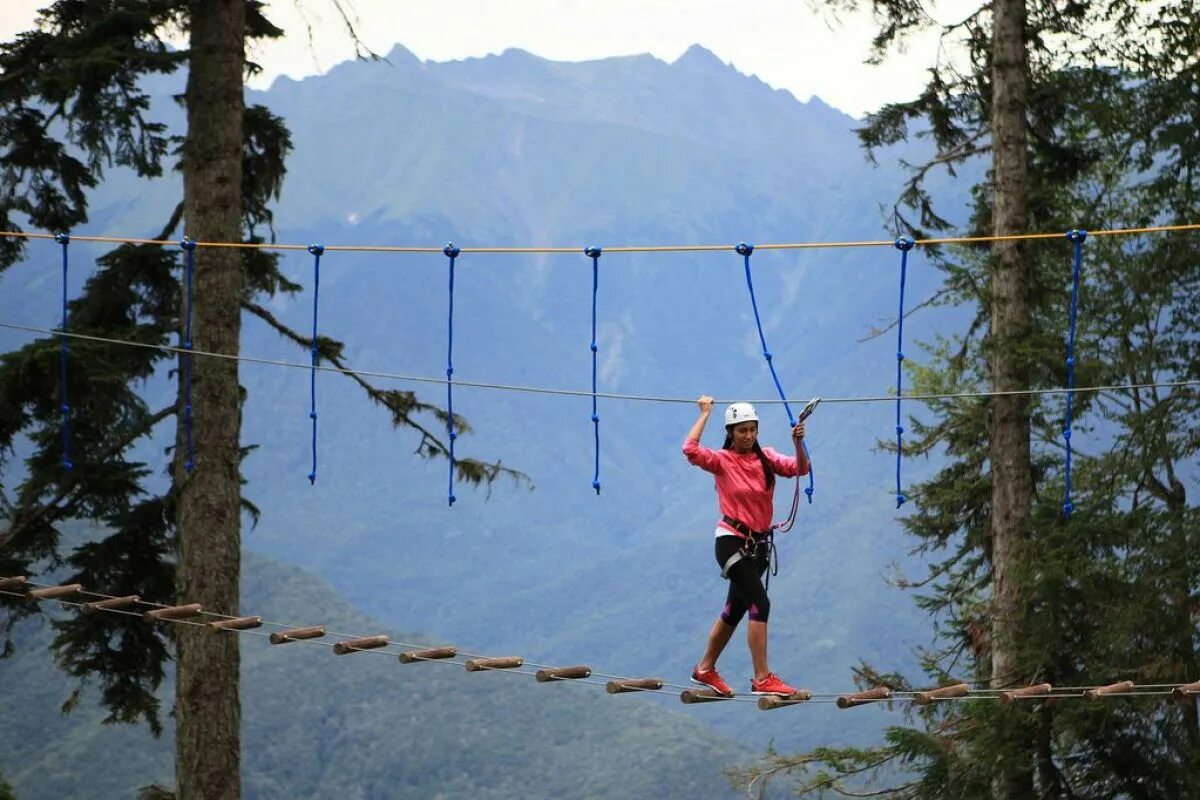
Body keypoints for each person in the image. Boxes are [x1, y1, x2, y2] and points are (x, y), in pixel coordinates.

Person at [682, 395, 809, 697]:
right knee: (760, 604)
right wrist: (705, 413)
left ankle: (704, 669)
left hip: (759, 548)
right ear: (731, 433)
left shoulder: (766, 457)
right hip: (731, 541)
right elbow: (690, 450)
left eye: (752, 429)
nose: (748, 435)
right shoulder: (722, 461)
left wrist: (798, 443)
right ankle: (762, 678)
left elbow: (800, 468)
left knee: (734, 610)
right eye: (742, 430)